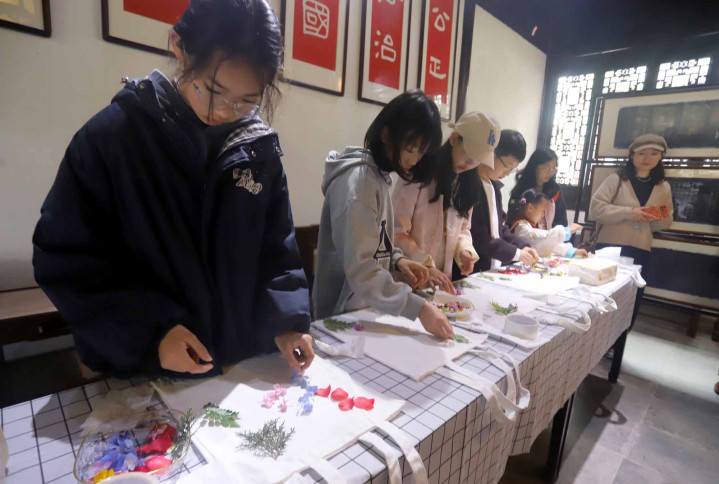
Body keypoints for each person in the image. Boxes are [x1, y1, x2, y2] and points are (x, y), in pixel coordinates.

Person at [32, 0, 314, 377]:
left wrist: (287, 321)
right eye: (212, 90)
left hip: (235, 370)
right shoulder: (113, 139)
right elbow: (65, 260)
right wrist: (152, 332)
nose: (224, 112)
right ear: (179, 47)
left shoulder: (259, 154)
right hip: (143, 368)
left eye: (247, 101)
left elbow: (277, 250)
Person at [313, 90, 454, 340]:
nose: (415, 159)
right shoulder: (360, 184)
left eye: (422, 152)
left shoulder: (376, 178)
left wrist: (397, 260)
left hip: (362, 309)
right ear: (387, 134)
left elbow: (374, 243)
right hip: (339, 319)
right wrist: (419, 308)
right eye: (412, 148)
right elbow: (363, 270)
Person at [392, 111, 498, 294]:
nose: (471, 163)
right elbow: (396, 232)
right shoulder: (418, 175)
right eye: (469, 154)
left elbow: (463, 228)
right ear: (454, 139)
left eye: (478, 160)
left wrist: (464, 250)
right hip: (407, 281)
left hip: (441, 283)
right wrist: (425, 265)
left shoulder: (467, 184)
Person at [589, 133, 674, 325]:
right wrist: (630, 212)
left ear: (661, 157)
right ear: (632, 155)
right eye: (642, 153)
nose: (647, 158)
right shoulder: (616, 180)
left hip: (641, 250)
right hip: (610, 248)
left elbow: (665, 222)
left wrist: (657, 216)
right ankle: (596, 335)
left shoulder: (663, 187)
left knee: (631, 299)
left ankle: (621, 335)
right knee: (603, 295)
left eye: (654, 153)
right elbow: (596, 210)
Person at [461, 129, 539, 275]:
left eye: (513, 169)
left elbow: (500, 229)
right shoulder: (471, 185)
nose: (508, 173)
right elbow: (479, 237)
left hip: (493, 268)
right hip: (473, 269)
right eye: (507, 166)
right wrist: (516, 253)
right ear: (492, 153)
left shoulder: (494, 187)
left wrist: (522, 246)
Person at [507, 148, 578, 234]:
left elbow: (561, 220)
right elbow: (512, 217)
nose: (550, 173)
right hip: (524, 235)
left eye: (553, 169)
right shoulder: (520, 190)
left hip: (549, 237)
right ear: (535, 166)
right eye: (546, 168)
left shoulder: (555, 192)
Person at [508, 189, 589, 258]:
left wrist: (571, 251)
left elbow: (545, 244)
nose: (543, 214)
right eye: (542, 210)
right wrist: (565, 231)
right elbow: (541, 238)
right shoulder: (520, 226)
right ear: (530, 208)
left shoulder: (527, 224)